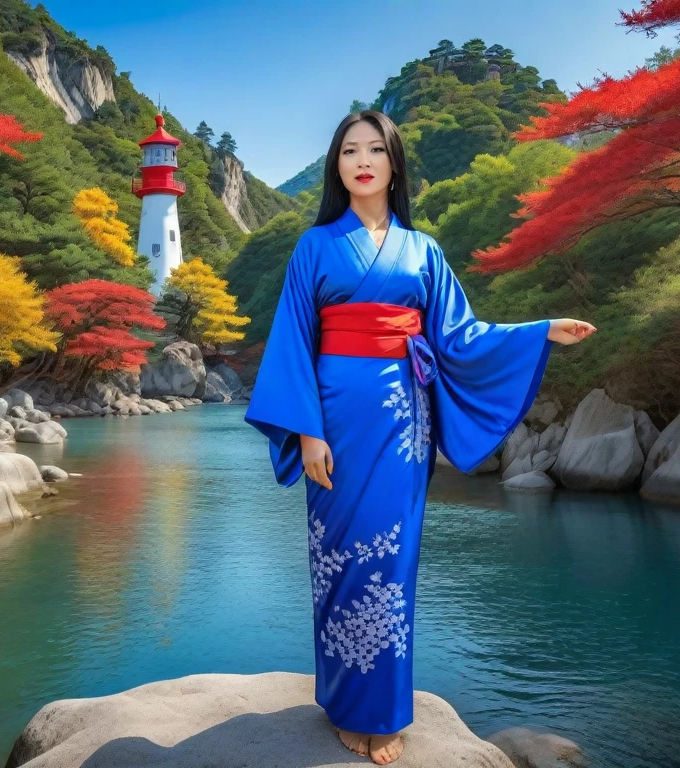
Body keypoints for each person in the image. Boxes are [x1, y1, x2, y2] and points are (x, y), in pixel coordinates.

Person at [243, 110, 596, 765]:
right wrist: (307, 432)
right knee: (341, 559)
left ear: (395, 164)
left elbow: (459, 336)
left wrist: (538, 330)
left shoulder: (424, 250)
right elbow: (294, 342)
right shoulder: (315, 246)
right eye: (349, 150)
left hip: (404, 420)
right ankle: (349, 707)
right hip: (335, 417)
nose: (362, 160)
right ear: (337, 166)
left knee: (390, 563)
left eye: (375, 149)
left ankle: (385, 712)